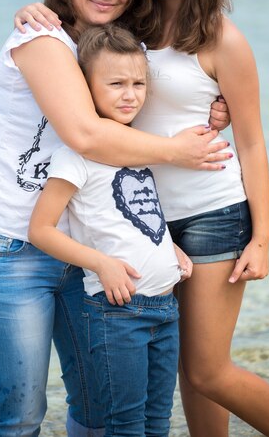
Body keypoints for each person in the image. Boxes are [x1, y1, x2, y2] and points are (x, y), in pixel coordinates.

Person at [15, 0, 269, 437]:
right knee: (185, 374)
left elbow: (251, 140)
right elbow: (77, 51)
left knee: (208, 371)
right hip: (141, 221)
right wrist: (37, 7)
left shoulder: (223, 38)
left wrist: (263, 237)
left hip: (211, 217)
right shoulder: (125, 24)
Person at [0, 0, 232, 437]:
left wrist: (211, 112)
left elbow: (139, 112)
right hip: (12, 250)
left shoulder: (107, 50)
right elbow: (87, 135)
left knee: (96, 413)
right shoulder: (40, 38)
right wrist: (178, 151)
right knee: (17, 416)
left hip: (88, 257)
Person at [29, 23, 192, 436]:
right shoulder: (77, 156)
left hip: (166, 309)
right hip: (118, 313)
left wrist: (168, 247)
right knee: (125, 425)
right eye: (116, 83)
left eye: (139, 83)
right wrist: (101, 263)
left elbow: (139, 214)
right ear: (86, 87)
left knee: (158, 422)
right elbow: (41, 229)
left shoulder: (137, 146)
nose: (129, 94)